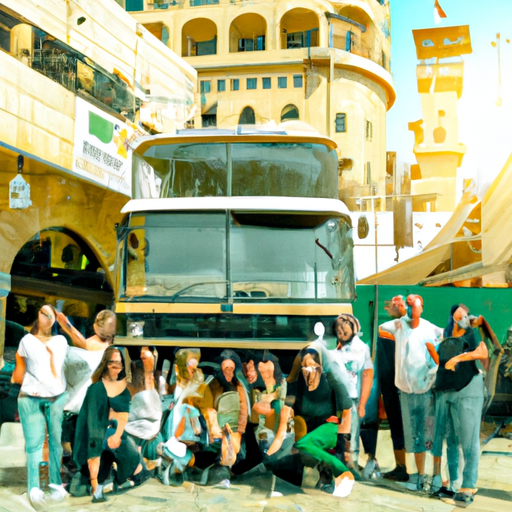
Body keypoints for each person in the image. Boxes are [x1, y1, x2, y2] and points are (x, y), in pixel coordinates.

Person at [379, 294, 442, 490]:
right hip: (405, 392)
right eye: (410, 303)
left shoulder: (430, 329)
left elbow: (443, 342)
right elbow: (382, 328)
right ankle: (421, 475)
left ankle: (435, 475)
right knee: (413, 435)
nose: (412, 307)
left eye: (416, 304)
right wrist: (396, 310)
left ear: (422, 307)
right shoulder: (399, 326)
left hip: (425, 391)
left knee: (427, 434)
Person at [11, 304, 69, 509]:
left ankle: (50, 484)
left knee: (53, 443)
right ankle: (35, 487)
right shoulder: (27, 341)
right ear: (38, 315)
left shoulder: (61, 341)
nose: (48, 318)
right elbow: (19, 372)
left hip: (56, 396)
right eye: (45, 314)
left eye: (52, 315)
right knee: (37, 445)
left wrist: (66, 324)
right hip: (32, 396)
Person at [73, 346, 147, 502]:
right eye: (112, 362)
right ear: (105, 364)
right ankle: (98, 485)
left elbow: (122, 416)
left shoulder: (122, 389)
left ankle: (121, 477)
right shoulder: (96, 389)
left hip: (109, 437)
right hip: (93, 444)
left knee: (132, 455)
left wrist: (117, 433)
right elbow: (93, 430)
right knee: (121, 451)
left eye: (119, 363)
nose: (116, 366)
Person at [431, 305, 488, 506]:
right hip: (447, 391)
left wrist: (459, 357)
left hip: (467, 390)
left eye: (465, 312)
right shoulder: (445, 336)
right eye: (459, 312)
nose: (464, 315)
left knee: (469, 440)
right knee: (451, 440)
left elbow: (483, 352)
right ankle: (454, 483)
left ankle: (468, 485)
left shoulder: (471, 334)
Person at [330, 314, 374, 476]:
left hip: (351, 397)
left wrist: (362, 403)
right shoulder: (332, 347)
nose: (342, 334)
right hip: (334, 397)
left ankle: (351, 465)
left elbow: (367, 374)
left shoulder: (361, 348)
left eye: (345, 331)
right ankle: (335, 464)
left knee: (352, 433)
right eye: (339, 331)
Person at [377, 295, 409, 481]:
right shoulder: (387, 330)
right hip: (393, 386)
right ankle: (402, 466)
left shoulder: (391, 331)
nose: (393, 305)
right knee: (398, 427)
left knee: (404, 427)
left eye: (398, 303)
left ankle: (407, 467)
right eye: (392, 303)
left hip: (400, 386)